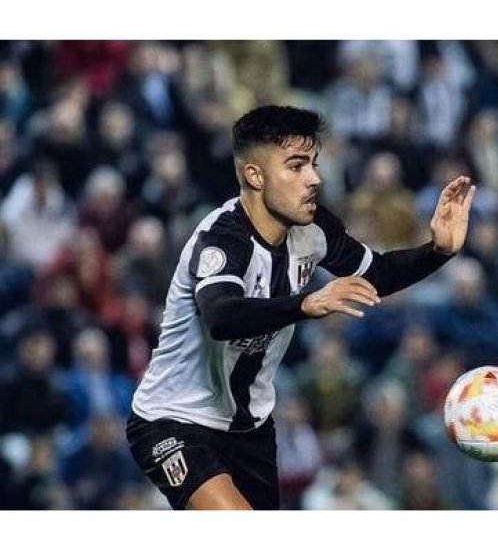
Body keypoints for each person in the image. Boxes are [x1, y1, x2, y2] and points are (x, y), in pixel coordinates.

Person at [125, 104, 475, 510]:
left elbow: (375, 273)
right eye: (296, 166)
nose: (315, 179)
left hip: (250, 425)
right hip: (175, 419)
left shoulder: (314, 230)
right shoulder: (222, 240)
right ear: (254, 175)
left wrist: (438, 251)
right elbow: (222, 317)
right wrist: (306, 304)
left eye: (314, 164)